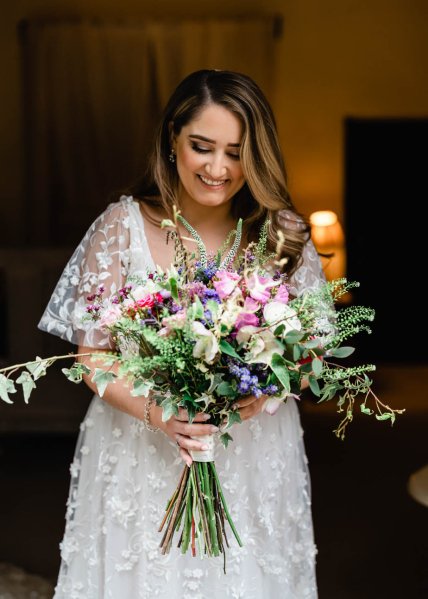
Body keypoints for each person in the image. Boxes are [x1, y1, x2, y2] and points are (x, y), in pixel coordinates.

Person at [39, 69, 325, 598]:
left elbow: (309, 358)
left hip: (250, 450)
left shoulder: (281, 235)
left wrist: (258, 394)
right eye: (202, 147)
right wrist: (163, 416)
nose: (219, 168)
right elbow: (92, 356)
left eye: (237, 152)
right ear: (173, 139)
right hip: (139, 447)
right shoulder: (120, 227)